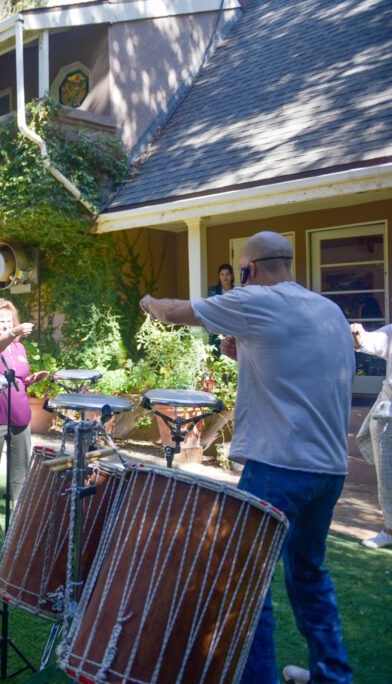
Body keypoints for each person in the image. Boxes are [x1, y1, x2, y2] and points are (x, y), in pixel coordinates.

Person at [139, 231, 353, 684]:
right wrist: (245, 349)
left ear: (248, 271)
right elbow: (299, 370)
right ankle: (332, 676)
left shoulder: (256, 300)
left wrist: (147, 299)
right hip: (329, 470)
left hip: (278, 467)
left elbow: (174, 312)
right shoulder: (329, 310)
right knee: (309, 574)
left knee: (244, 582)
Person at [0, 299, 49, 508]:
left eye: (9, 320)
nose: (6, 324)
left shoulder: (19, 348)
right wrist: (13, 331)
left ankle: (18, 508)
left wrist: (31, 380)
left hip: (20, 414)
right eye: (1, 321)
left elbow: (18, 379)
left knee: (20, 466)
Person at [350, 322, 392, 550]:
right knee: (387, 474)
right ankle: (390, 529)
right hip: (389, 409)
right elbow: (371, 341)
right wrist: (359, 337)